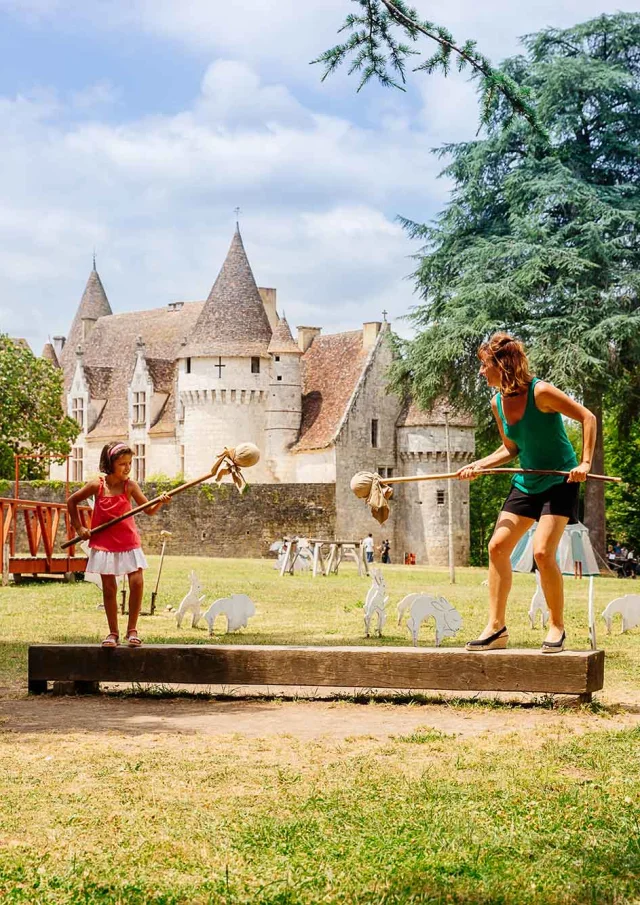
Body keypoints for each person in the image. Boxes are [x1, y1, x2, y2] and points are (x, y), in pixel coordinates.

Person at [457, 333, 596, 653]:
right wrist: (480, 465)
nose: (481, 372)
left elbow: (587, 417)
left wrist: (585, 462)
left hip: (561, 480)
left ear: (502, 365)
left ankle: (556, 626)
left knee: (543, 552)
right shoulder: (497, 403)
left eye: (484, 365)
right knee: (496, 546)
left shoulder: (541, 392)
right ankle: (496, 628)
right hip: (526, 481)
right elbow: (511, 448)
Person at [67, 442, 171, 648]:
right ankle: (113, 633)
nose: (127, 467)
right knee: (109, 588)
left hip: (128, 542)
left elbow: (148, 510)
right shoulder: (97, 485)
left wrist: (160, 501)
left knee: (137, 582)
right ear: (110, 463)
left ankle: (132, 630)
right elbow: (72, 501)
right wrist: (80, 528)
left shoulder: (130, 486)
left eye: (129, 463)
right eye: (122, 463)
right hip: (104, 544)